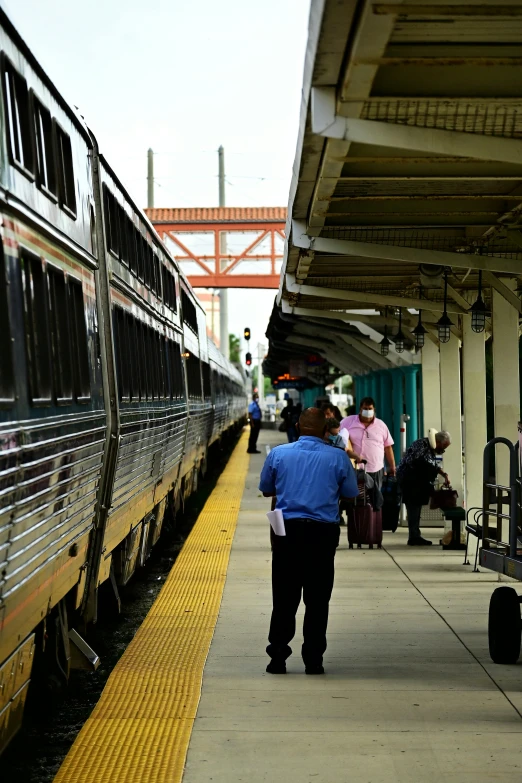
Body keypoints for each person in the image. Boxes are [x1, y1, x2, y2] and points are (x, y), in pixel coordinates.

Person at [259, 407, 358, 675]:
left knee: (284, 599)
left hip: (286, 534)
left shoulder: (279, 454)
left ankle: (277, 658)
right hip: (322, 535)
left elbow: (267, 488)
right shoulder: (338, 458)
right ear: (326, 430)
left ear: (299, 428)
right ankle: (313, 660)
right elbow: (350, 493)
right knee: (317, 600)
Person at [396, 431, 452, 546]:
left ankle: (415, 535)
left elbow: (432, 464)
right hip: (410, 481)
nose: (443, 450)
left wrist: (444, 474)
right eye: (443, 447)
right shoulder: (421, 445)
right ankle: (414, 537)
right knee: (413, 507)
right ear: (437, 442)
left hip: (416, 482)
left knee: (416, 508)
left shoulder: (429, 447)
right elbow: (416, 462)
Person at [340, 397, 395, 510]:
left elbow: (388, 447)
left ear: (374, 409)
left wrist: (392, 466)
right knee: (356, 497)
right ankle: (356, 518)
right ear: (360, 409)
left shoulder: (381, 425)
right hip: (355, 468)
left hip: (375, 468)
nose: (368, 410)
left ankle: (373, 521)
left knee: (374, 497)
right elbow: (338, 436)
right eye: (365, 408)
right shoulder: (348, 422)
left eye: (370, 408)